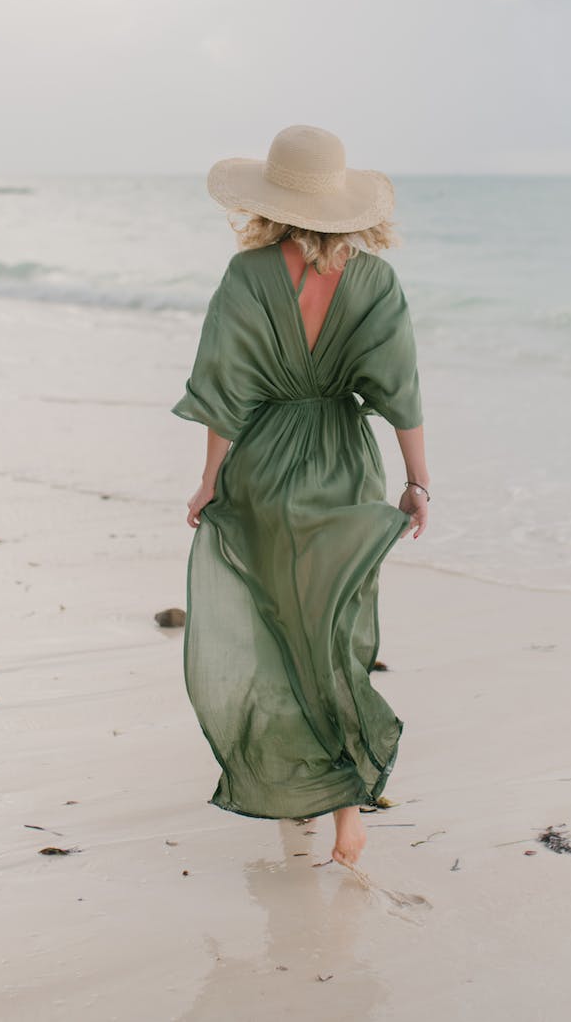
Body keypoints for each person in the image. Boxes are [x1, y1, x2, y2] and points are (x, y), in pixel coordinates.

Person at [172, 124, 430, 868]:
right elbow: (400, 392)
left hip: (264, 466)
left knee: (283, 631)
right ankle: (347, 806)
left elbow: (224, 390)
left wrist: (211, 477)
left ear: (271, 201)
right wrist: (417, 482)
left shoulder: (248, 274)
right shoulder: (376, 282)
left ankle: (310, 790)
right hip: (347, 469)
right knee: (337, 632)